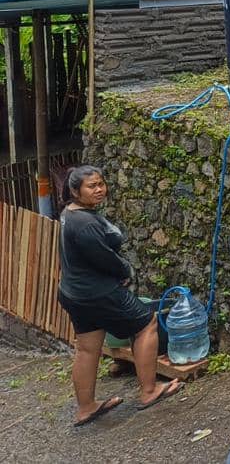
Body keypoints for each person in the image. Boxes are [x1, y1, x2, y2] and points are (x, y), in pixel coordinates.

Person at [57, 166, 182, 426]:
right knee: (145, 323)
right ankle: (149, 391)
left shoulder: (70, 214)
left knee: (87, 347)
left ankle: (86, 408)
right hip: (98, 293)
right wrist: (124, 270)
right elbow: (104, 259)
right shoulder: (85, 225)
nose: (100, 189)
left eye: (101, 183)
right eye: (92, 186)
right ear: (74, 191)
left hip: (73, 292)